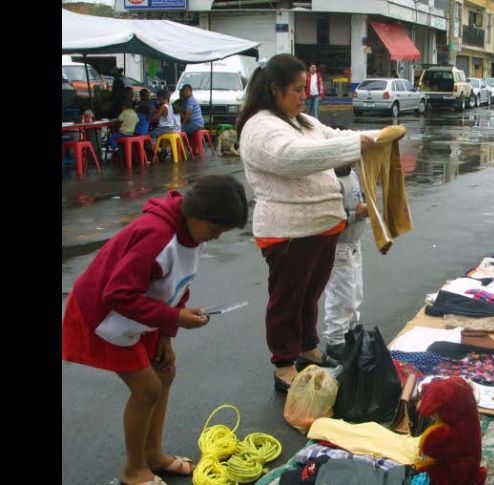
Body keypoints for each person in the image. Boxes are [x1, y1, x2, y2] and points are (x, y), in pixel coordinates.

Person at [61, 175, 249, 485]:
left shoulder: (193, 234)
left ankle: (153, 454)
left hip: (140, 307)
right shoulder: (158, 236)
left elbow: (178, 285)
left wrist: (165, 335)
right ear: (197, 213)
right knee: (147, 387)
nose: (215, 238)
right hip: (103, 312)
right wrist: (174, 318)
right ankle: (133, 470)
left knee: (165, 371)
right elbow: (117, 294)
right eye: (215, 230)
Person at [237, 54, 377, 392]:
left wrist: (376, 136)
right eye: (298, 90)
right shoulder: (260, 126)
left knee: (308, 296)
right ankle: (284, 363)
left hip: (323, 228)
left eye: (305, 89)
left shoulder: (303, 121)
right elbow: (295, 159)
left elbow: (334, 138)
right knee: (287, 300)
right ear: (275, 89)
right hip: (288, 232)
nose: (304, 96)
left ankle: (307, 348)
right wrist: (358, 144)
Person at [322, 163, 368, 361]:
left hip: (353, 241)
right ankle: (335, 339)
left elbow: (360, 199)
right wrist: (356, 214)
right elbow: (329, 220)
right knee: (341, 293)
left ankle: (350, 331)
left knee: (356, 290)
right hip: (338, 245)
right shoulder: (330, 180)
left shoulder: (353, 175)